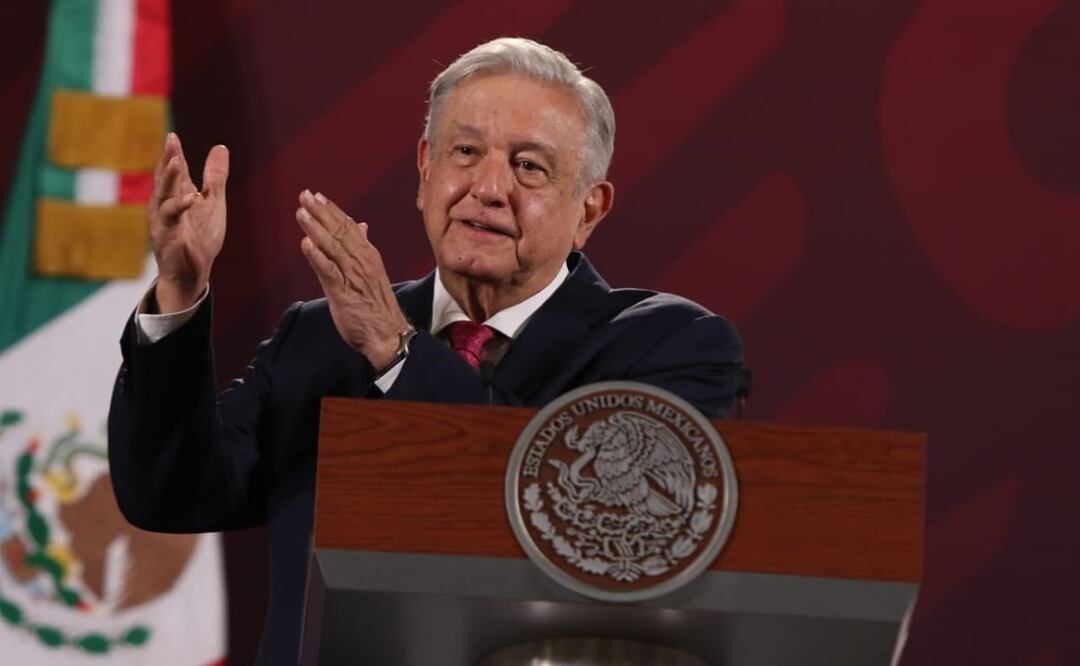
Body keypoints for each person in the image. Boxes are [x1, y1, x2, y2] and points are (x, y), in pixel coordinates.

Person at [108, 37, 743, 665]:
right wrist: (179, 293)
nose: (488, 188)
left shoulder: (667, 347)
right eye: (465, 152)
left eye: (529, 166)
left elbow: (600, 532)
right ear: (424, 169)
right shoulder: (319, 336)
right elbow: (169, 491)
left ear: (588, 211)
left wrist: (397, 351)